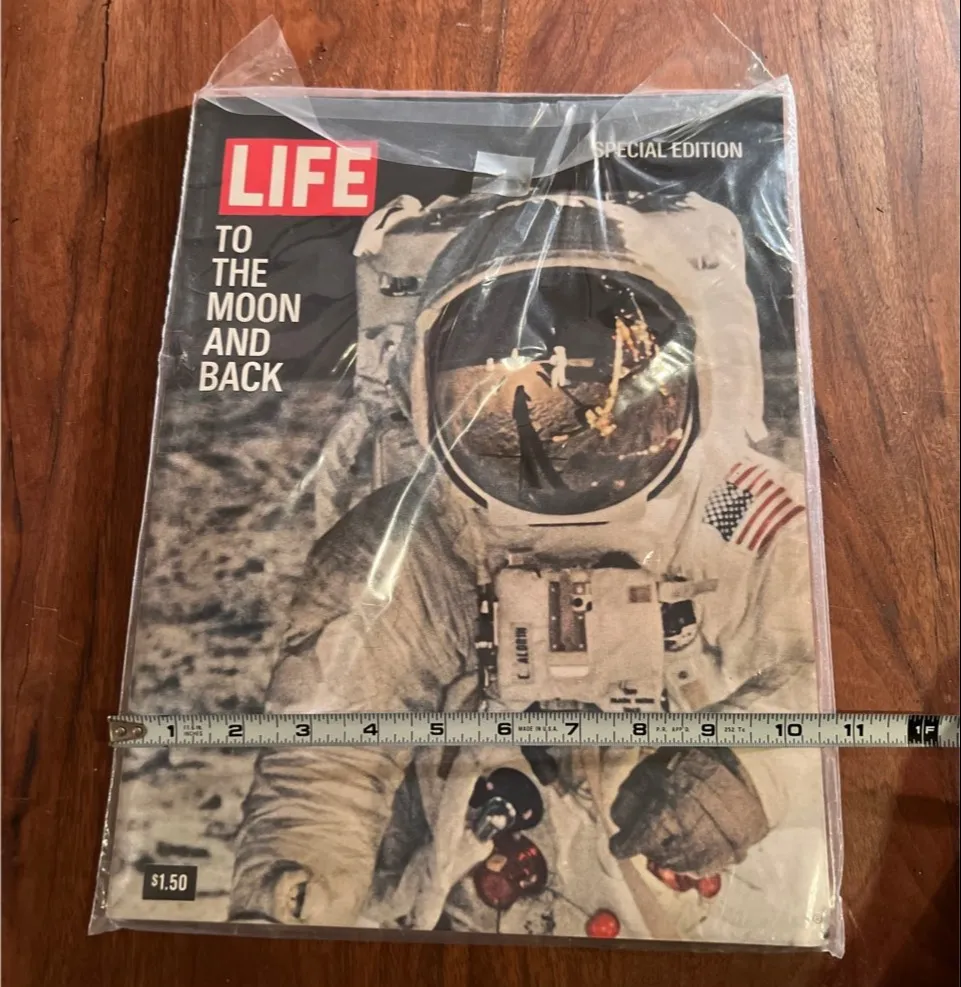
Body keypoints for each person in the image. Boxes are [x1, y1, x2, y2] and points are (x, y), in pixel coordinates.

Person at [229, 191, 832, 946]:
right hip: (477, 892)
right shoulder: (416, 539)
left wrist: (748, 772)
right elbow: (327, 757)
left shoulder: (728, 507)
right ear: (425, 391)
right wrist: (296, 901)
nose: (566, 440)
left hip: (706, 891)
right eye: (510, 397)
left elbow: (836, 668)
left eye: (608, 389)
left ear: (690, 385)